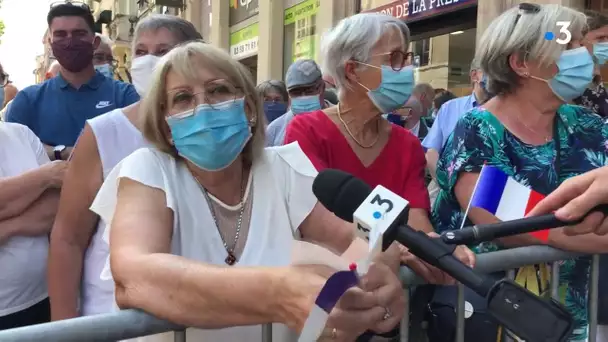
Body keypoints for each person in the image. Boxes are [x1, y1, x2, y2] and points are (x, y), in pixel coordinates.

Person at [89, 41, 405, 342]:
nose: (204, 108)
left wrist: (372, 277)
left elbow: (361, 237)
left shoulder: (283, 167)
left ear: (249, 109)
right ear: (166, 124)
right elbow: (134, 275)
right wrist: (280, 292)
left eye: (218, 91)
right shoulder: (146, 169)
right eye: (183, 99)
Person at [431, 4, 608, 341]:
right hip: (500, 317)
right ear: (521, 63)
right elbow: (513, 223)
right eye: (568, 44)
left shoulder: (589, 125)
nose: (584, 55)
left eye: (581, 44)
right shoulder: (477, 130)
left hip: (577, 316)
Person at [284, 13, 475, 284]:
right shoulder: (307, 131)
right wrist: (397, 248)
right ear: (352, 69)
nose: (407, 69)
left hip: (392, 300)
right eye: (394, 59)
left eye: (408, 59)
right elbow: (321, 223)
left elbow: (415, 219)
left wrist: (435, 250)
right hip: (328, 295)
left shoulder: (406, 144)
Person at [47, 14, 203, 321]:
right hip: (116, 318)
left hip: (200, 312)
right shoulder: (104, 133)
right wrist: (63, 325)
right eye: (141, 52)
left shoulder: (217, 130)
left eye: (162, 51)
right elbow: (68, 238)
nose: (149, 62)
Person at [5, 2, 139, 161]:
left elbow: (138, 149)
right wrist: (63, 151)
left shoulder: (126, 96)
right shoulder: (27, 101)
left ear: (94, 42)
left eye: (79, 33)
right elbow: (13, 154)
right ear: (51, 44)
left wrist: (48, 150)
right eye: (61, 34)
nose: (70, 41)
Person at [0, 122, 67, 330]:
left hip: (40, 298)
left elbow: (55, 206)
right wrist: (46, 176)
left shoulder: (22, 134)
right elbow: (54, 180)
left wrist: (8, 228)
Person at [265, 59, 330, 147]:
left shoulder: (341, 121)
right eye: (296, 92)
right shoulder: (274, 131)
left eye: (309, 90)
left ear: (322, 87)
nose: (303, 96)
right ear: (288, 94)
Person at [572, 10, 608, 118]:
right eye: (600, 38)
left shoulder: (594, 76)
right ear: (578, 41)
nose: (606, 44)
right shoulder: (567, 77)